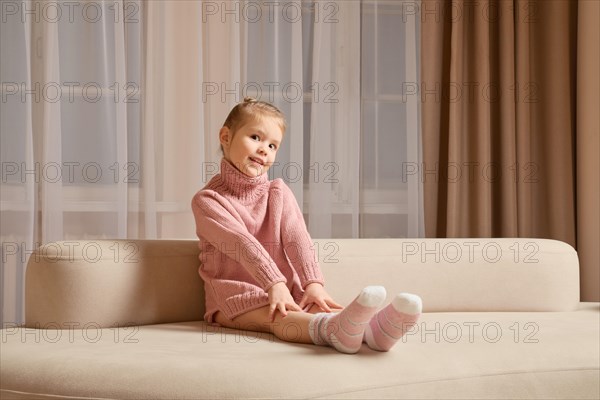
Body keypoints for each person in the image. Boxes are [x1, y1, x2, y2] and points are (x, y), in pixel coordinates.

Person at [191, 97, 422, 354]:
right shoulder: (208, 201)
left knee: (316, 306)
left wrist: (313, 284)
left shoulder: (277, 192)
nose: (264, 149)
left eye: (272, 145)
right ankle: (334, 331)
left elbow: (297, 238)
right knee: (280, 318)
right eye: (255, 137)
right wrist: (274, 285)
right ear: (225, 136)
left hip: (283, 287)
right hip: (232, 296)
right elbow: (242, 245)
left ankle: (374, 333)